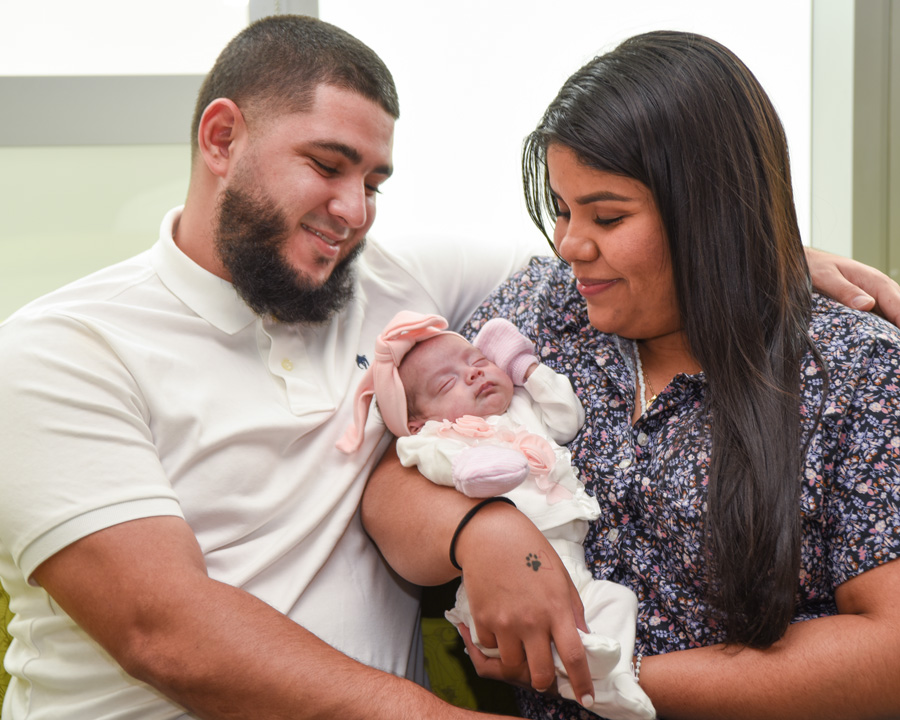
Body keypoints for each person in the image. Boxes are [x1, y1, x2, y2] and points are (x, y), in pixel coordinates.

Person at [0, 15, 895, 720]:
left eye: (377, 182)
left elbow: (655, 237)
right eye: (327, 165)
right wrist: (487, 539)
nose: (355, 212)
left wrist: (765, 253)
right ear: (222, 137)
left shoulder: (405, 284)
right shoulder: (62, 350)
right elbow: (170, 635)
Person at [361, 30, 900, 720]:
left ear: (711, 210)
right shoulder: (540, 313)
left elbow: (887, 653)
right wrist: (481, 531)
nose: (570, 244)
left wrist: (607, 672)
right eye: (560, 209)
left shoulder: (854, 372)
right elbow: (390, 487)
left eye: (607, 216)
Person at [337, 310, 655, 719]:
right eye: (448, 382)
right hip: (499, 579)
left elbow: (567, 416)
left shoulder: (522, 407)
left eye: (479, 361)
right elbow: (433, 461)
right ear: (415, 422)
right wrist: (468, 472)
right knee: (543, 635)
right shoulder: (436, 436)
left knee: (616, 602)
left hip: (567, 558)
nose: (473, 375)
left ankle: (607, 683)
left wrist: (527, 368)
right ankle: (598, 683)